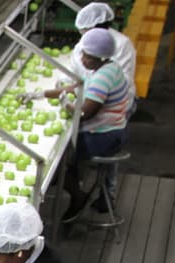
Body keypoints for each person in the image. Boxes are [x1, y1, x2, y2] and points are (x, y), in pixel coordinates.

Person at [27, 27, 132, 219]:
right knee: (62, 153)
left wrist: (66, 104)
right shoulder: (106, 67)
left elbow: (84, 113)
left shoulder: (103, 77)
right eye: (83, 54)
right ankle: (75, 188)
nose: (82, 59)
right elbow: (75, 87)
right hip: (110, 130)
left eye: (87, 57)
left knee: (56, 161)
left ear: (100, 58)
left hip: (105, 136)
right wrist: (39, 94)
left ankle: (77, 196)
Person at [67, 3, 137, 108]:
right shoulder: (84, 42)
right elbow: (73, 67)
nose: (83, 33)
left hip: (114, 104)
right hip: (88, 98)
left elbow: (122, 82)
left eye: (85, 29)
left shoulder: (122, 44)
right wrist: (64, 82)